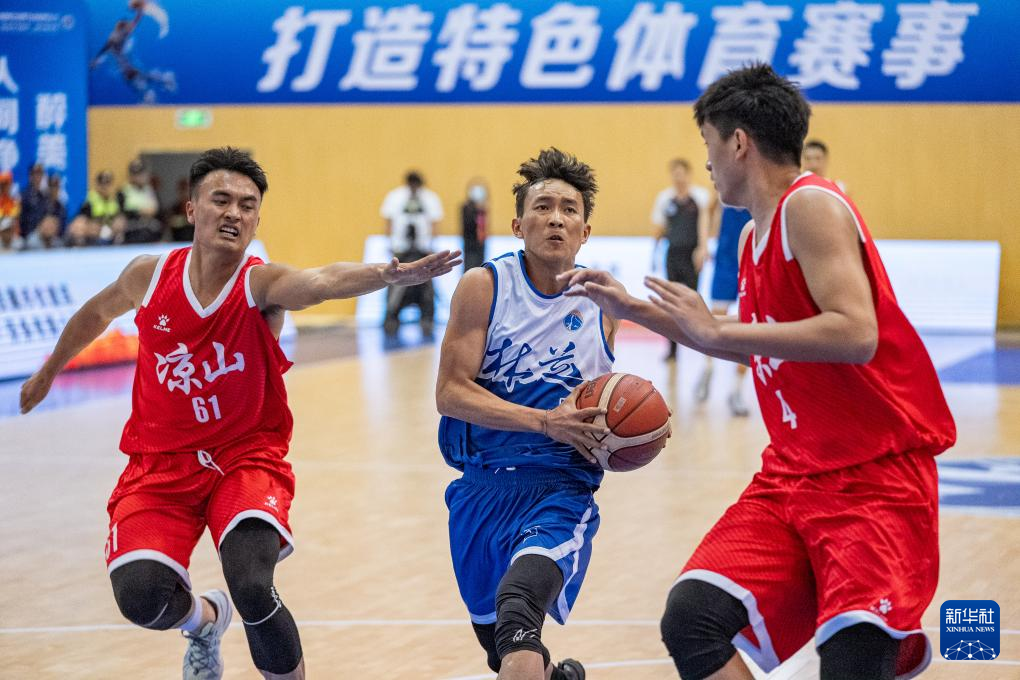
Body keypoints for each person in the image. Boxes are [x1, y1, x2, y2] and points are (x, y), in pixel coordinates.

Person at [559, 65, 955, 680]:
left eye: (709, 144)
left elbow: (856, 333)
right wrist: (635, 310)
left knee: (853, 659)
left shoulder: (810, 206)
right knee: (692, 616)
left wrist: (718, 330)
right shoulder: (751, 238)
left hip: (872, 481)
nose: (707, 162)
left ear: (738, 142)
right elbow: (762, 346)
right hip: (794, 476)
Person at [20, 147, 460, 680]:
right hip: (160, 464)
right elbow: (95, 313)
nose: (234, 213)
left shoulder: (260, 285)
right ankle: (204, 620)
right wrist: (48, 372)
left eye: (247, 206)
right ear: (191, 209)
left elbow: (320, 281)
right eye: (221, 200)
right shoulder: (149, 276)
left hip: (244, 459)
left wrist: (384, 276)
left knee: (251, 584)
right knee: (140, 595)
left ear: (256, 219)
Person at [436, 148, 617, 680]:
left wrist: (633, 433)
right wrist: (543, 420)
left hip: (560, 489)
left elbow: (617, 403)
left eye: (569, 209)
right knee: (505, 651)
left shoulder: (604, 301)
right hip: (481, 489)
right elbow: (450, 393)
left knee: (518, 611)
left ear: (585, 231)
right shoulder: (484, 286)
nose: (556, 218)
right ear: (518, 225)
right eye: (543, 207)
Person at [650, 158, 710, 361]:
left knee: (692, 300)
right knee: (671, 302)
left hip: (691, 255)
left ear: (688, 174)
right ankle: (672, 349)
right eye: (675, 174)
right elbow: (660, 228)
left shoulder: (700, 197)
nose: (679, 177)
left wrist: (703, 248)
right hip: (673, 255)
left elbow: (704, 226)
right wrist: (654, 252)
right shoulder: (665, 199)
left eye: (682, 173)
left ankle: (699, 343)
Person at [694, 203, 751, 416]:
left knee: (749, 327)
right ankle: (707, 368)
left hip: (749, 263)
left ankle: (737, 389)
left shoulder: (757, 198)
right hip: (725, 264)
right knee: (713, 321)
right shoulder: (722, 200)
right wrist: (703, 246)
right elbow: (709, 221)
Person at [380, 170, 444, 336]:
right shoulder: (395, 197)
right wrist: (390, 243)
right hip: (401, 250)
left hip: (423, 250)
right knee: (396, 282)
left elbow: (434, 223)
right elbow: (389, 221)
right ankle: (391, 317)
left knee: (426, 285)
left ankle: (427, 318)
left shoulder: (430, 198)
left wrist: (432, 244)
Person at [67, 170, 123, 246]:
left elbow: (118, 217)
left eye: (108, 184)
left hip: (110, 231)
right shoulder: (90, 200)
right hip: (94, 234)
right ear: (97, 185)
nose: (105, 187)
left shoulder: (114, 201)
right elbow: (82, 218)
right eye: (102, 184)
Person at [118, 158, 163, 243]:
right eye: (136, 174)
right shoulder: (123, 191)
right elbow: (123, 212)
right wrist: (141, 211)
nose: (140, 177)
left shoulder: (150, 190)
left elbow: (158, 210)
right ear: (130, 175)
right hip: (132, 232)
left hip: (150, 232)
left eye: (142, 173)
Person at [460, 177, 489, 271]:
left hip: (480, 244)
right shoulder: (466, 208)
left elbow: (484, 226)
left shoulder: (483, 210)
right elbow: (468, 225)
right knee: (470, 267)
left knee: (481, 267)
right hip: (470, 245)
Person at [0, 170, 21, 251]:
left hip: (13, 237)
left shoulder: (15, 202)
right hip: (1, 236)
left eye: (6, 184)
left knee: (20, 243)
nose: (4, 187)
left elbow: (16, 221)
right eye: (2, 184)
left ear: (11, 184)